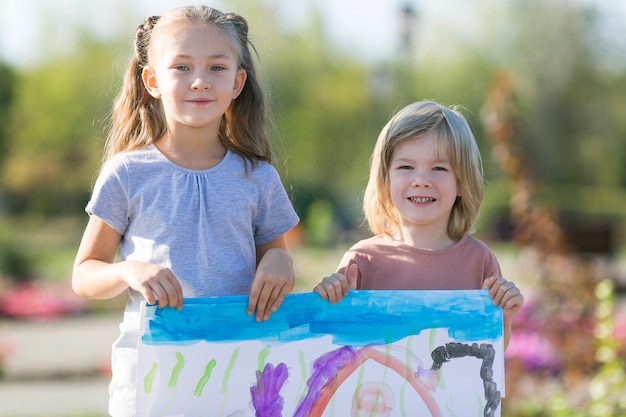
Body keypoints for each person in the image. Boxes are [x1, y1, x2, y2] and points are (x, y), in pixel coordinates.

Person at [72, 5, 299, 416]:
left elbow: (276, 258)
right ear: (153, 80)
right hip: (154, 383)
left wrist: (281, 263)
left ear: (237, 82)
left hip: (241, 373)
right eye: (182, 66)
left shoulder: (257, 176)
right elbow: (85, 274)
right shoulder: (126, 173)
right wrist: (127, 271)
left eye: (217, 67)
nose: (200, 81)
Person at [314, 100, 523, 349]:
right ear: (385, 180)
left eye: (439, 168)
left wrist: (505, 320)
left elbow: (490, 354)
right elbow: (335, 343)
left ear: (462, 181)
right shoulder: (361, 262)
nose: (421, 180)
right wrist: (328, 300)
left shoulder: (479, 261)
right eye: (406, 167)